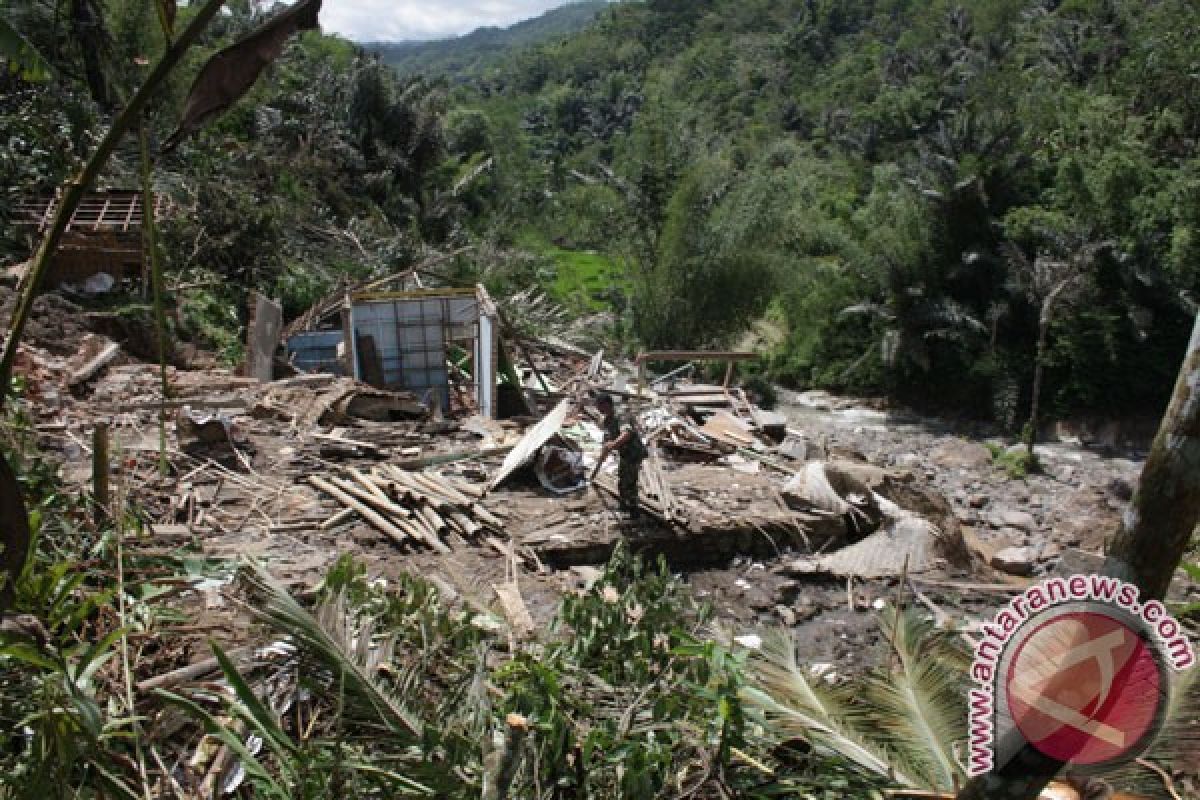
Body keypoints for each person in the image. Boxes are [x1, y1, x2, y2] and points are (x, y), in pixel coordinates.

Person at [594, 393, 647, 518]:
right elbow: (607, 439)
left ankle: (634, 510)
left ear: (607, 404)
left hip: (634, 452)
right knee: (622, 478)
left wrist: (613, 444)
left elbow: (626, 433)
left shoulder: (621, 414)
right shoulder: (607, 420)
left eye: (599, 406)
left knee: (630, 481)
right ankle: (624, 505)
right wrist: (604, 453)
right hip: (624, 453)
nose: (598, 410)